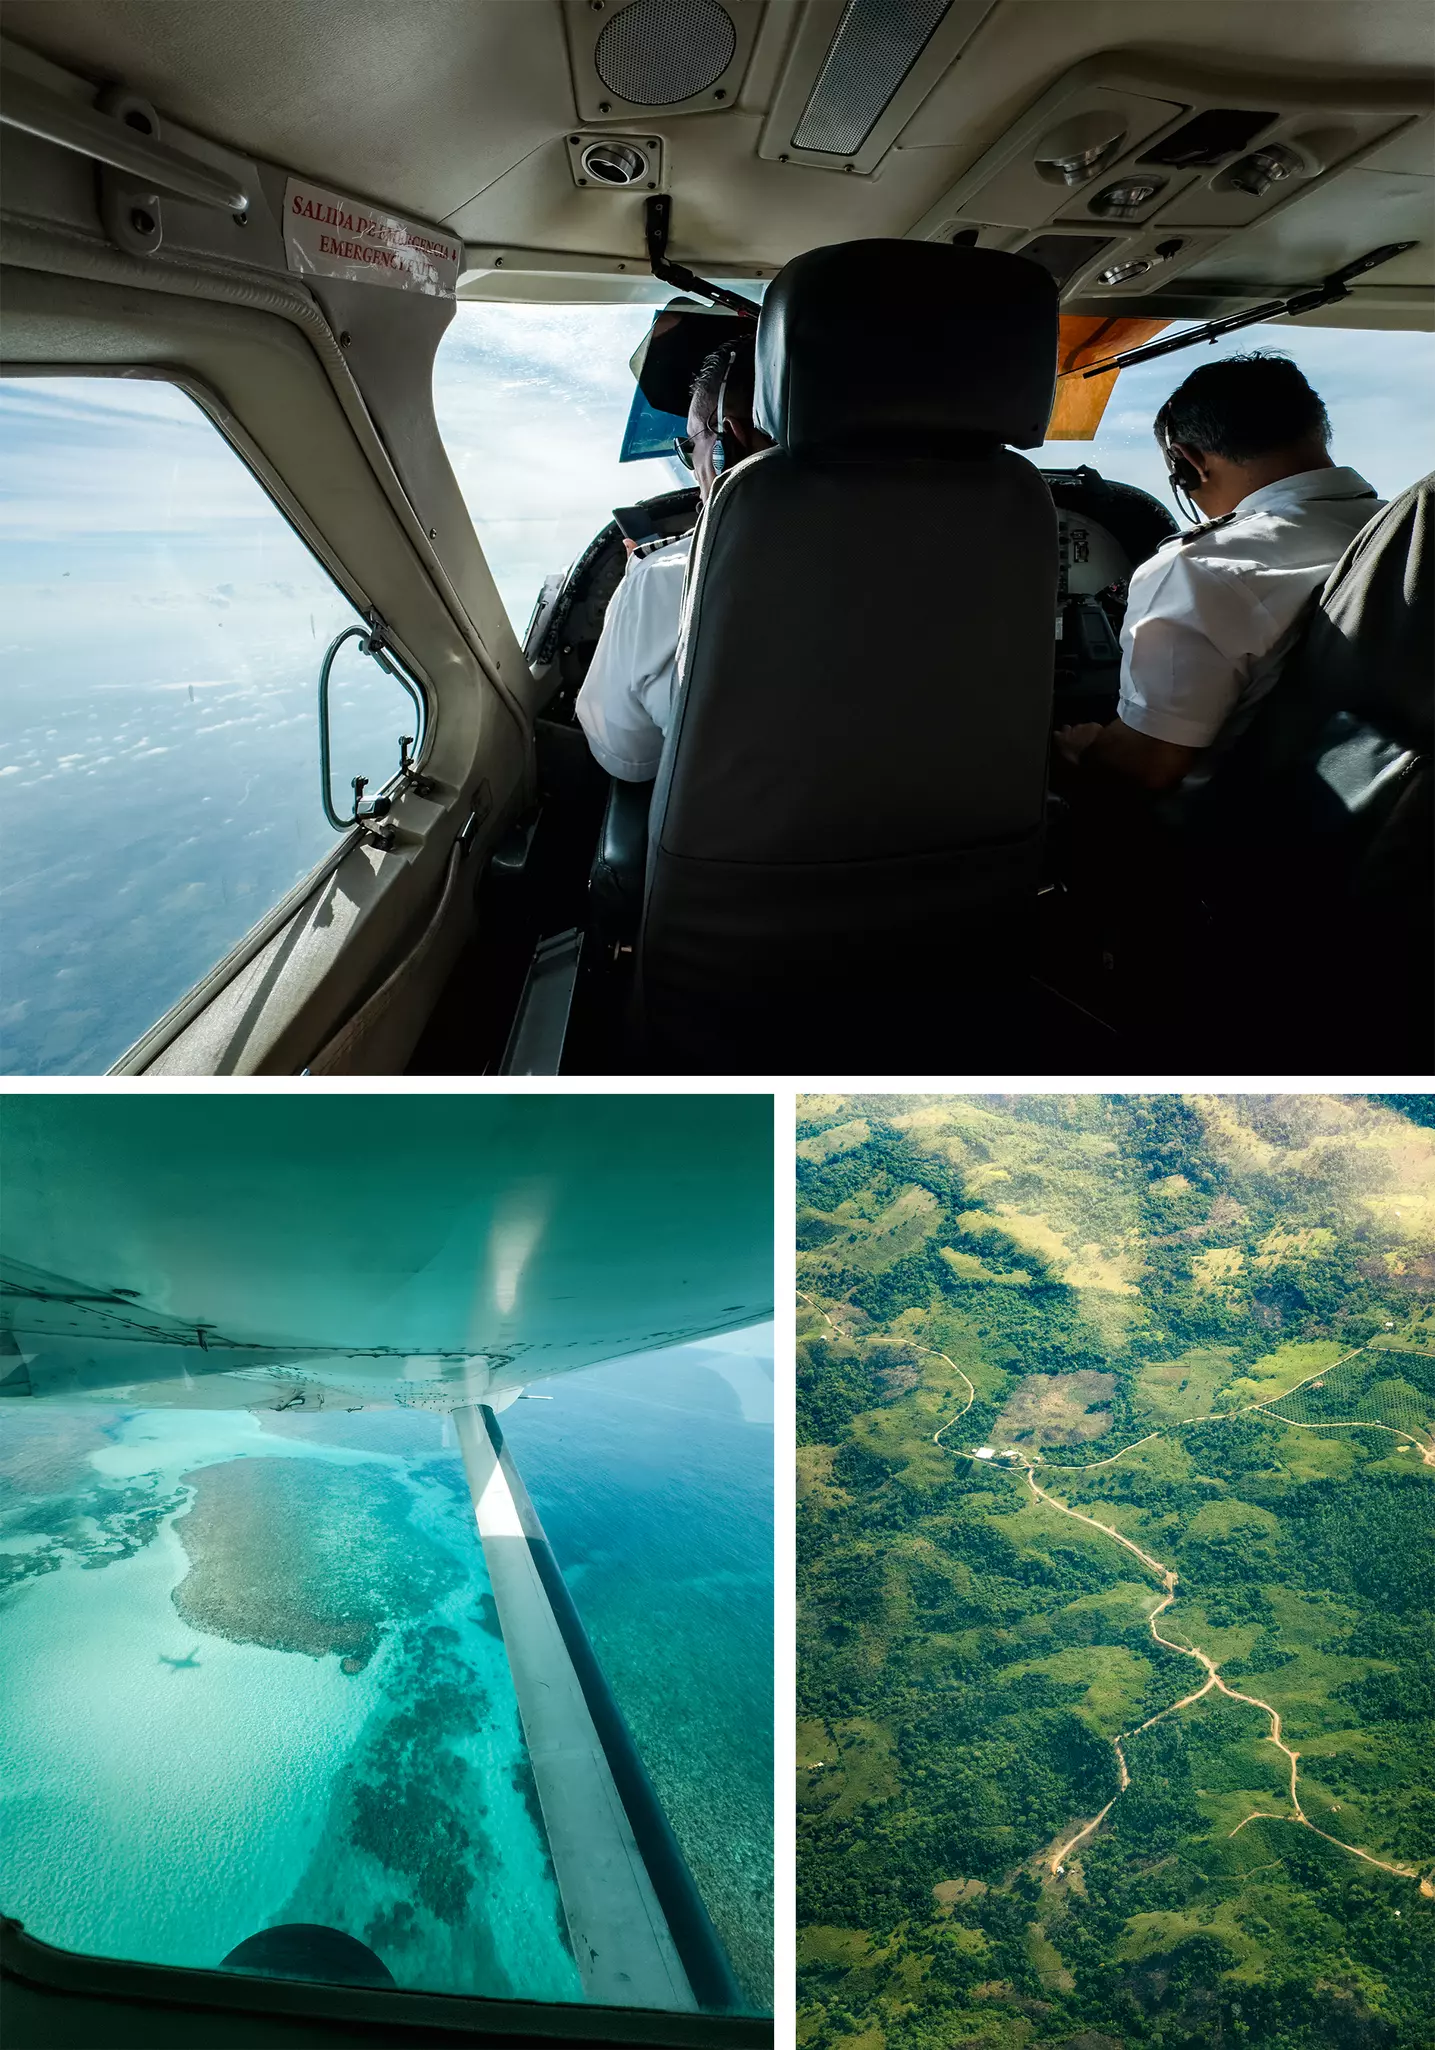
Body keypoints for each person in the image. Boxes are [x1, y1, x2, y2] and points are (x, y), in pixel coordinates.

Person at [1056, 353, 1383, 793]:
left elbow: (1142, 770)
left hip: (1241, 835)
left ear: (1188, 460)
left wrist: (1087, 747)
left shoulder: (1200, 568)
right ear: (1317, 432)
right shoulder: (1406, 533)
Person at [576, 330, 770, 782]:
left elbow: (627, 757)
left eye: (691, 445)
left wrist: (641, 581)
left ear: (729, 442)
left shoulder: (662, 583)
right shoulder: (953, 537)